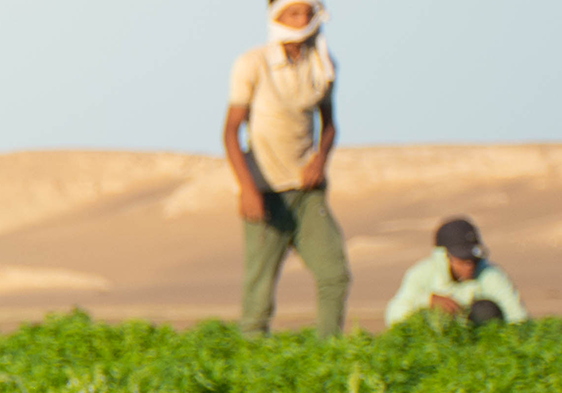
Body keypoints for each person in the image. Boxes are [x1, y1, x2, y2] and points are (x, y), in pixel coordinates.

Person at [224, 0, 349, 336]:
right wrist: (248, 189)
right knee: (259, 293)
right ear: (276, 17)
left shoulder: (321, 64)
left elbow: (330, 125)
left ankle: (329, 353)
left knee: (334, 274)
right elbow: (231, 131)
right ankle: (251, 361)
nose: (301, 20)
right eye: (293, 13)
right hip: (266, 192)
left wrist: (320, 159)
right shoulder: (253, 63)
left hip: (307, 192)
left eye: (307, 13)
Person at [384, 218, 528, 327]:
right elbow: (394, 316)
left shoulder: (490, 275)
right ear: (443, 256)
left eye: (473, 259)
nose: (469, 266)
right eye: (462, 260)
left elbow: (517, 316)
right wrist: (427, 301)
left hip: (477, 343)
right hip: (437, 346)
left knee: (485, 310)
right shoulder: (421, 274)